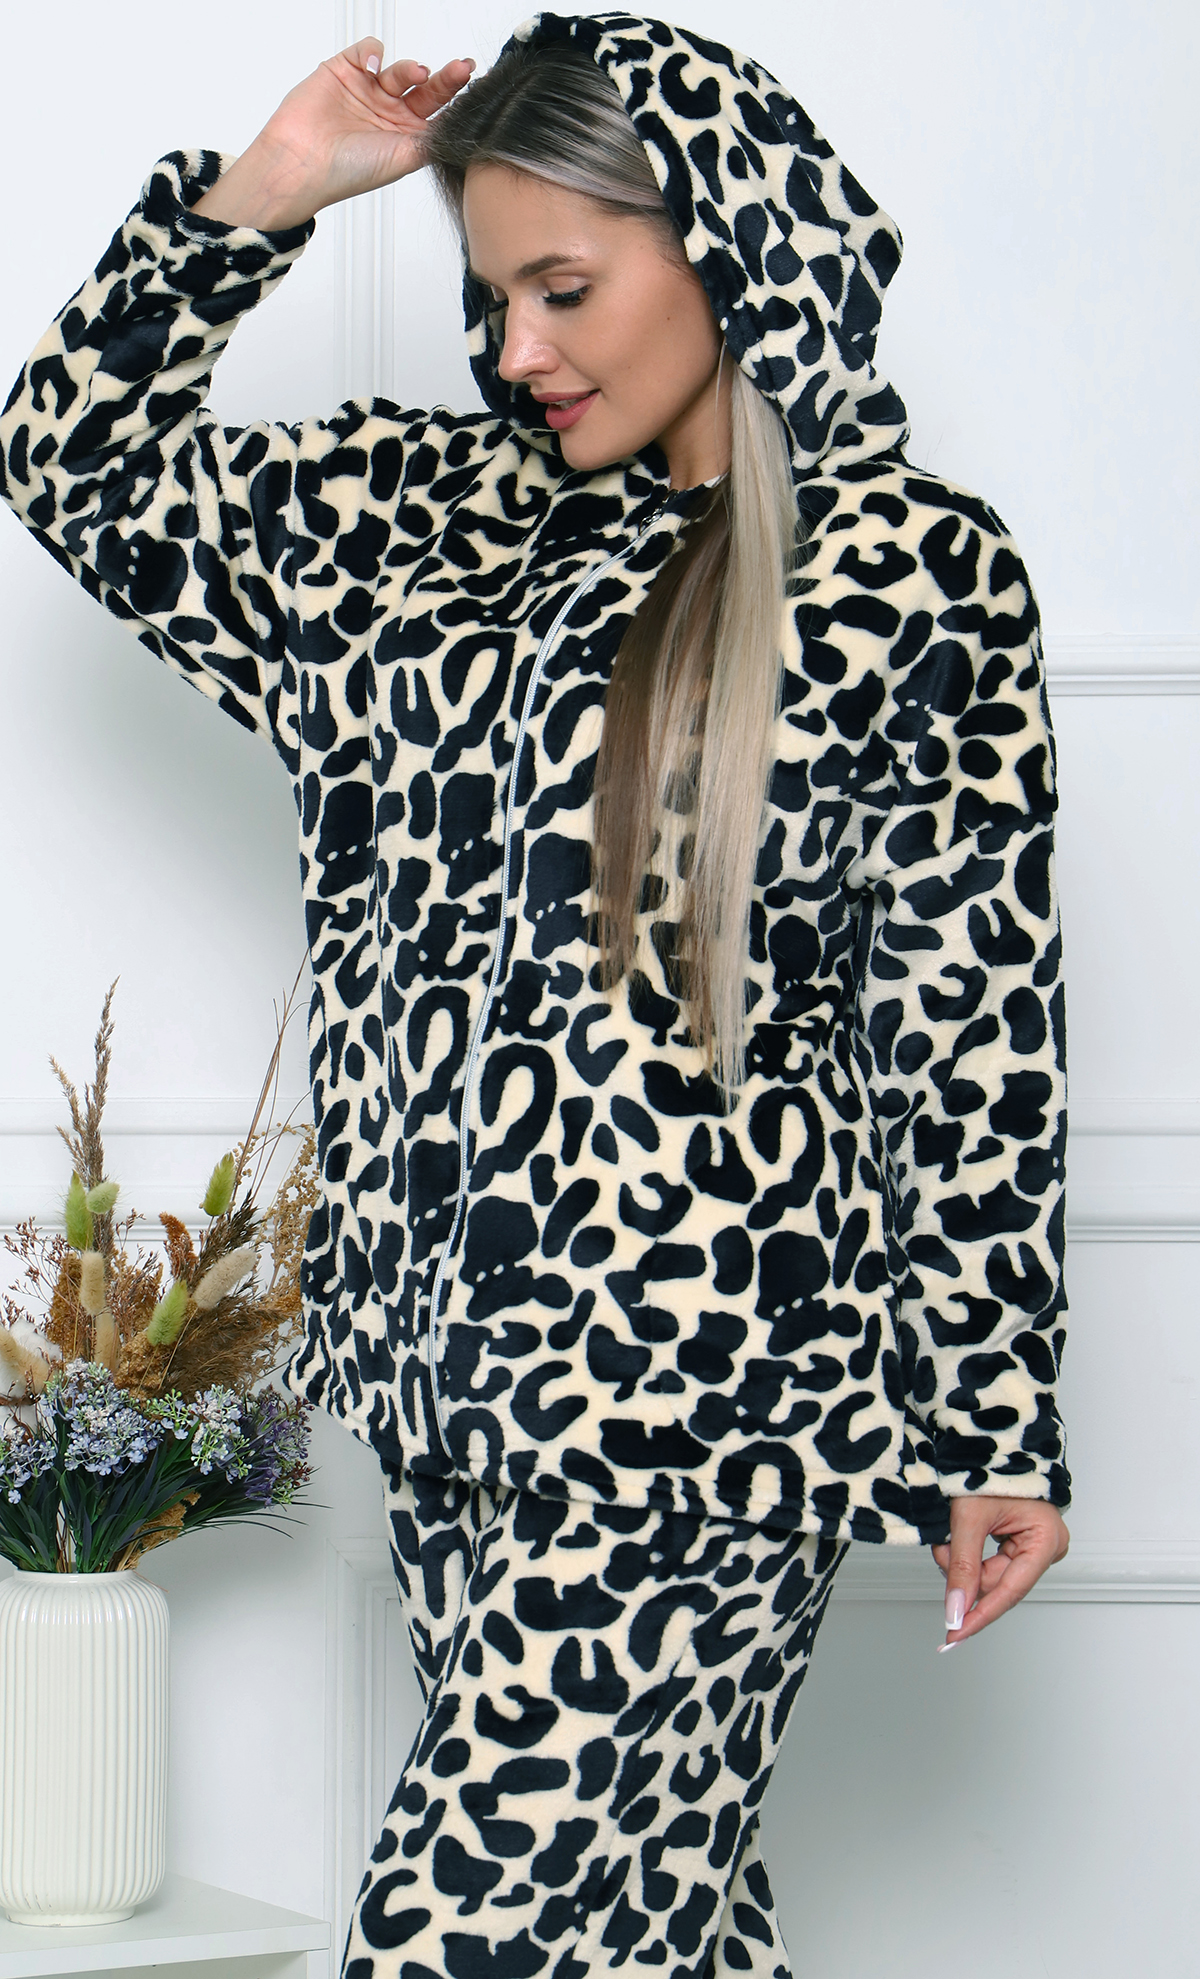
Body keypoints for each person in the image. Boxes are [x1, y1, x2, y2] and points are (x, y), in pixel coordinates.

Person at [0, 13, 1071, 1973]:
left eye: (563, 290)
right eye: (493, 299)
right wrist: (269, 188)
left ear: (727, 246)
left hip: (709, 1418)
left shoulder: (912, 578)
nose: (517, 352)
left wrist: (990, 1410)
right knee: (654, 1932)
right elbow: (72, 457)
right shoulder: (409, 537)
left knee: (457, 1939)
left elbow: (969, 1028)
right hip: (443, 1405)